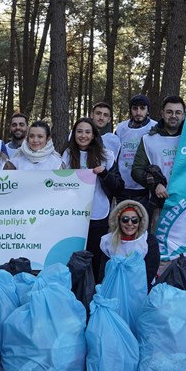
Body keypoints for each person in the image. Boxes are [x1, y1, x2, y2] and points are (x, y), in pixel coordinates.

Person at [63, 117, 124, 280]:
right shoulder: (67, 155)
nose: (83, 136)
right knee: (73, 258)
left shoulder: (106, 155)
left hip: (98, 216)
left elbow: (119, 187)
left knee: (95, 258)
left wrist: (104, 174)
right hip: (72, 216)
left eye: (87, 132)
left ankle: (95, 288)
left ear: (94, 135)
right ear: (74, 134)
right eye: (79, 131)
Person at [131, 95, 186, 218]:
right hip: (161, 204)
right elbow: (136, 170)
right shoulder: (148, 139)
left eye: (178, 112)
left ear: (184, 115)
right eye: (169, 112)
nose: (173, 116)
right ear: (162, 114)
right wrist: (155, 184)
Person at [99, 200, 160, 288]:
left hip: (140, 287)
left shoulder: (148, 241)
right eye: (125, 219)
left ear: (140, 222)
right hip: (114, 286)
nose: (130, 224)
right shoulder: (108, 241)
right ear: (118, 221)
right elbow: (103, 271)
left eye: (135, 220)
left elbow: (150, 271)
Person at [115, 94, 157, 205]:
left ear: (148, 110)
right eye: (135, 108)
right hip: (123, 186)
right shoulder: (121, 128)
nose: (138, 112)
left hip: (145, 187)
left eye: (142, 108)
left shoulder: (155, 127)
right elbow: (114, 155)